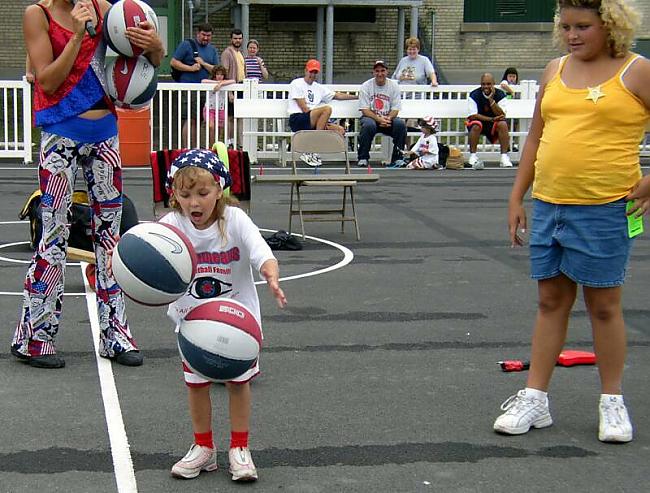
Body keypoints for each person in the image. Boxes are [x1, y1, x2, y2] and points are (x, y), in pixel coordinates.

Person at [493, 0, 650, 444]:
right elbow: (537, 135)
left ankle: (612, 401)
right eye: (565, 27)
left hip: (605, 209)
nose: (573, 35)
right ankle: (535, 397)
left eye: (583, 26)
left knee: (603, 306)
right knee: (549, 302)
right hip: (550, 205)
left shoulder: (636, 71)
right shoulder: (554, 70)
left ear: (611, 26)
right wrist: (516, 195)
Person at [13, 0, 163, 368]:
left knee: (110, 239)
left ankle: (116, 336)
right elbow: (47, 79)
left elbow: (146, 61)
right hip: (59, 135)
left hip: (105, 135)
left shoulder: (106, 8)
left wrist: (153, 44)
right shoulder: (38, 14)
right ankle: (35, 338)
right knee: (53, 236)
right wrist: (79, 35)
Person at [159, 149, 287, 482]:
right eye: (185, 194)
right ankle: (203, 448)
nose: (194, 202)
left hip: (237, 321)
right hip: (192, 322)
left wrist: (271, 275)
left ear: (220, 189)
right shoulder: (170, 225)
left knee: (237, 383)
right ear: (174, 193)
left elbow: (261, 251)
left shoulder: (235, 220)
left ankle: (239, 448)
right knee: (196, 385)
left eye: (202, 193)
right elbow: (149, 254)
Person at [287, 58, 357, 166]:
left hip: (313, 122)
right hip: (298, 119)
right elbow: (304, 109)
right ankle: (314, 148)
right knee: (327, 109)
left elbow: (337, 95)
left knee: (340, 130)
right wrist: (322, 122)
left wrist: (357, 97)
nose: (313, 75)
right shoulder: (296, 83)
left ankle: (312, 151)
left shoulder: (319, 88)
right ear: (306, 71)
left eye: (315, 72)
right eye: (311, 71)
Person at [170, 23, 220, 148]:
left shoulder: (212, 50)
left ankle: (196, 148)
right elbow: (174, 62)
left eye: (208, 36)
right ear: (198, 33)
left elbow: (217, 70)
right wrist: (190, 68)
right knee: (190, 119)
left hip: (205, 89)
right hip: (188, 88)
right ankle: (188, 148)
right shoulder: (187, 45)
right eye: (203, 35)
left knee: (199, 120)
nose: (206, 38)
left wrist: (203, 63)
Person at [357, 60, 407, 168]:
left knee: (400, 125)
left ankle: (398, 158)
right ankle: (363, 158)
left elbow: (396, 109)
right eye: (377, 71)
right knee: (368, 125)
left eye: (382, 70)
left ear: (387, 72)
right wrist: (379, 119)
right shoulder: (366, 86)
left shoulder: (394, 86)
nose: (380, 74)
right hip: (371, 117)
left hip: (388, 118)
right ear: (373, 72)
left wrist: (387, 118)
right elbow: (365, 110)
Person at [465, 73, 513, 169]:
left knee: (503, 124)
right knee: (476, 125)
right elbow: (474, 115)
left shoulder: (500, 94)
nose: (486, 86)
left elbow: (501, 114)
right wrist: (491, 119)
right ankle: (473, 156)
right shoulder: (474, 95)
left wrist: (491, 100)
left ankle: (504, 157)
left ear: (493, 84)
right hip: (479, 121)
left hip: (494, 123)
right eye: (483, 84)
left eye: (488, 84)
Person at [221, 29, 246, 147]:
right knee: (230, 117)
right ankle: (229, 142)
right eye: (235, 38)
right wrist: (230, 92)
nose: (237, 40)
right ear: (231, 39)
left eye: (240, 38)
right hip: (232, 87)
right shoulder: (227, 53)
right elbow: (224, 72)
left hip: (241, 86)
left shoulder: (240, 53)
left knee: (240, 116)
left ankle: (240, 143)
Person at [201, 65, 236, 143]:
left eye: (221, 74)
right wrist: (217, 83)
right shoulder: (210, 82)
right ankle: (212, 147)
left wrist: (221, 84)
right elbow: (203, 81)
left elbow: (233, 81)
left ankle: (217, 145)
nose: (219, 76)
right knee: (211, 126)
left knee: (219, 130)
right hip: (209, 108)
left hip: (220, 109)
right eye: (218, 74)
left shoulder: (225, 84)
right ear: (214, 75)